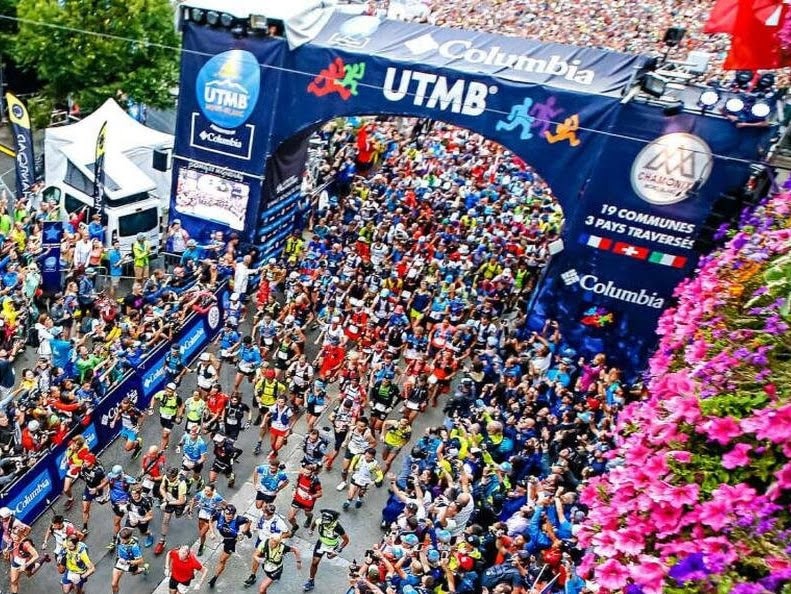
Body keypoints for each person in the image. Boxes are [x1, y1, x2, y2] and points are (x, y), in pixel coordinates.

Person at [245, 503, 292, 586]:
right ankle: (253, 576)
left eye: (264, 513)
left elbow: (288, 533)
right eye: (263, 511)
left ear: (268, 514)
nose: (263, 514)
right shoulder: (261, 514)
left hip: (272, 543)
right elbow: (259, 525)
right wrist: (254, 529)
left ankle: (277, 573)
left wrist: (277, 538)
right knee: (256, 557)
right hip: (261, 540)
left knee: (273, 560)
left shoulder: (278, 522)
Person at [303, 508, 349, 592]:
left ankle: (330, 554)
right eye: (324, 523)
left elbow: (346, 540)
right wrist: (311, 530)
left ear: (332, 521)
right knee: (314, 562)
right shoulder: (320, 521)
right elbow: (314, 522)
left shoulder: (337, 527)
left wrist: (337, 551)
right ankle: (311, 580)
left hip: (332, 545)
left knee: (330, 557)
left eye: (327, 524)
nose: (325, 525)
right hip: (321, 543)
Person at [207, 504, 252, 588]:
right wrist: (212, 532)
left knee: (222, 560)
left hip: (231, 541)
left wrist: (243, 532)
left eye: (231, 516)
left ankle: (215, 578)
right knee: (222, 560)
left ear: (234, 515)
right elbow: (210, 520)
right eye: (227, 515)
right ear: (224, 513)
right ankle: (247, 533)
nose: (229, 517)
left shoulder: (238, 519)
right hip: (224, 536)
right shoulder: (219, 514)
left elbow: (249, 521)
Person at [156, 466, 189, 554]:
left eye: (170, 478)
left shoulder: (182, 484)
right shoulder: (166, 477)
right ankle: (162, 541)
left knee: (178, 516)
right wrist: (165, 498)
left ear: (175, 476)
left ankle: (187, 507)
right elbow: (162, 488)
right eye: (168, 477)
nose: (168, 479)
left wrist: (168, 503)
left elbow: (181, 500)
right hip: (169, 498)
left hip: (178, 501)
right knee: (166, 519)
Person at [189, 482, 225, 556]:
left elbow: (225, 504)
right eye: (205, 490)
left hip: (210, 515)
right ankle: (202, 545)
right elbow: (193, 499)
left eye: (208, 491)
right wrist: (190, 510)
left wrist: (222, 509)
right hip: (202, 513)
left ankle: (201, 545)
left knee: (202, 533)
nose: (206, 492)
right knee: (202, 533)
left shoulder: (216, 497)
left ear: (212, 491)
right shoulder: (201, 494)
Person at [8, 528, 48, 594]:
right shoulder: (12, 541)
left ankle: (43, 558)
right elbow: (11, 549)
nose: (14, 540)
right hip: (15, 563)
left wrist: (26, 565)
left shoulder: (26, 544)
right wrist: (7, 551)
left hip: (26, 563)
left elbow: (36, 555)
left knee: (29, 574)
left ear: (20, 535)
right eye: (12, 537)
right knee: (13, 581)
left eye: (15, 537)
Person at [287, 462, 323, 534]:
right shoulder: (301, 475)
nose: (305, 475)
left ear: (312, 473)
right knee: (290, 518)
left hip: (308, 502)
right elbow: (296, 484)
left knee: (307, 513)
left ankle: (309, 518)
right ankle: (295, 526)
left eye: (308, 474)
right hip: (297, 499)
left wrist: (310, 496)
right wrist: (294, 490)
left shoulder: (315, 481)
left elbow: (320, 494)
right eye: (304, 473)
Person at [110, 527, 149, 594]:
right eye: (121, 539)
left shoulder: (134, 547)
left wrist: (128, 562)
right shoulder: (120, 536)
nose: (122, 541)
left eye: (124, 540)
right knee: (114, 584)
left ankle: (143, 569)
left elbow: (141, 560)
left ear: (129, 538)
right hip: (120, 561)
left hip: (130, 563)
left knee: (134, 573)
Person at [148, 382, 184, 451]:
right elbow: (154, 397)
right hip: (162, 416)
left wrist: (179, 416)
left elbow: (181, 407)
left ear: (174, 391)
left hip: (171, 418)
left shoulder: (177, 398)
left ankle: (161, 450)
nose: (168, 393)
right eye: (167, 391)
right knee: (165, 433)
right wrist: (151, 407)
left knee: (164, 434)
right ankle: (166, 442)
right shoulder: (161, 393)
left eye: (170, 392)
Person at [78, 453, 105, 533]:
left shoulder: (98, 472)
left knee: (102, 502)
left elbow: (105, 481)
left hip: (97, 490)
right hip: (88, 489)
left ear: (91, 462)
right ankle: (85, 526)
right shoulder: (84, 467)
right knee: (85, 509)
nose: (84, 462)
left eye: (86, 461)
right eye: (84, 461)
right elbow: (83, 477)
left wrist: (97, 489)